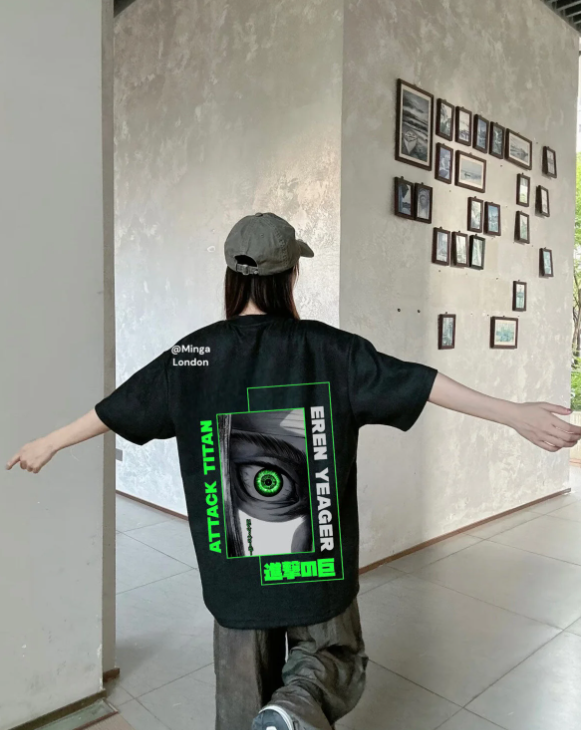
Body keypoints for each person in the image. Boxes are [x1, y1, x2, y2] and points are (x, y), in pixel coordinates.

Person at [6, 212, 581, 730]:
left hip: (235, 582)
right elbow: (421, 381)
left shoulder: (193, 354)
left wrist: (48, 442)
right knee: (336, 662)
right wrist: (513, 414)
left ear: (231, 278)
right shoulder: (330, 349)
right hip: (316, 574)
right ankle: (295, 708)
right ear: (289, 277)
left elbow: (118, 408)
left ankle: (274, 716)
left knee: (239, 706)